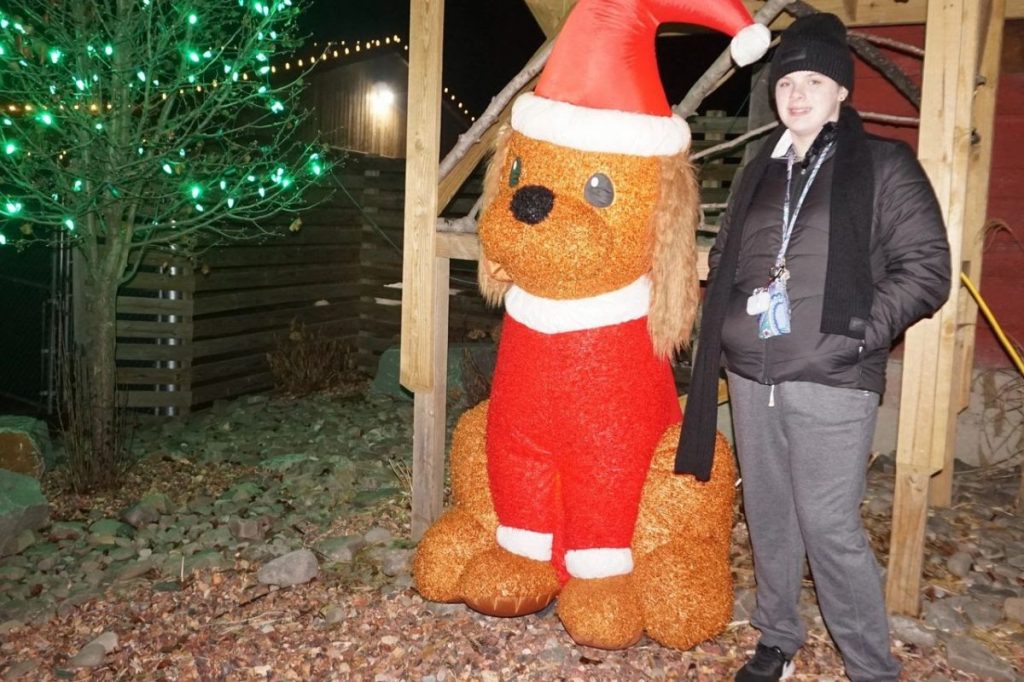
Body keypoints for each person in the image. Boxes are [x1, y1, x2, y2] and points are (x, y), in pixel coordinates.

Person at [674, 12, 951, 682]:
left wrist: (854, 328)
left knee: (827, 525)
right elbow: (743, 268)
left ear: (842, 92)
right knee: (768, 515)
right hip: (752, 376)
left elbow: (927, 269)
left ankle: (870, 665)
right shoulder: (759, 174)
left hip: (831, 377)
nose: (796, 93)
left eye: (814, 80)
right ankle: (777, 637)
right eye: (786, 80)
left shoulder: (884, 165)